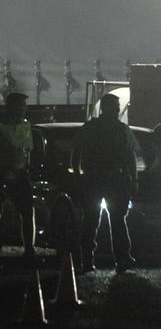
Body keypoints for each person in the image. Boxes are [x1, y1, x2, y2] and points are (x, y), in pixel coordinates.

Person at [71, 93, 138, 274]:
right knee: (94, 220)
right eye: (114, 106)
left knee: (113, 220)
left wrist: (133, 178)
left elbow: (130, 155)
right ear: (105, 108)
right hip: (96, 179)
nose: (117, 110)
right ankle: (89, 259)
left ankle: (121, 258)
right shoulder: (92, 128)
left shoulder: (121, 129)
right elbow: (76, 153)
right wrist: (78, 175)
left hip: (112, 180)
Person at [0, 92, 35, 271]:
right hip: (0, 175)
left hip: (19, 175)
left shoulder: (26, 125)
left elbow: (27, 151)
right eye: (20, 106)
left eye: (24, 106)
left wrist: (26, 170)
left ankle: (29, 252)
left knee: (27, 213)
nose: (24, 109)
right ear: (11, 107)